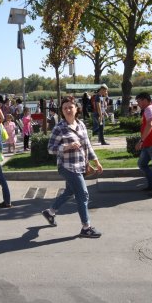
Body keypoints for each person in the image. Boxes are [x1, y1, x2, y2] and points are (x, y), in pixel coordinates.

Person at [41, 97, 103, 238]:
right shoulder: (59, 128)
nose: (68, 110)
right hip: (66, 166)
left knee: (70, 191)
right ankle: (86, 227)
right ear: (62, 111)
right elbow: (50, 148)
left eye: (70, 107)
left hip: (80, 165)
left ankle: (50, 212)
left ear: (76, 108)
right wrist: (66, 146)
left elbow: (88, 145)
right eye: (65, 108)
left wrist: (96, 161)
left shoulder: (81, 124)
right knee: (83, 194)